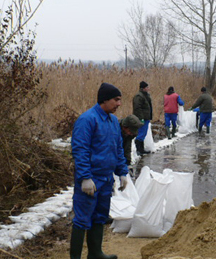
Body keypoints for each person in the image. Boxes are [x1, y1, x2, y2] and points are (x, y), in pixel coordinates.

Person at [70, 82, 129, 259]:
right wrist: (85, 177)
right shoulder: (87, 120)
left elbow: (117, 148)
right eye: (116, 100)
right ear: (105, 100)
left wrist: (122, 172)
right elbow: (80, 150)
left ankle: (95, 253)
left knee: (100, 216)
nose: (119, 104)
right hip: (91, 180)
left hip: (106, 179)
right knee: (82, 219)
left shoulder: (113, 121)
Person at [133, 81, 152, 155]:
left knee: (143, 133)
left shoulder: (145, 95)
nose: (148, 88)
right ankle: (139, 149)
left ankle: (142, 149)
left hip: (146, 117)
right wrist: (141, 118)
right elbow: (137, 108)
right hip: (142, 118)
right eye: (147, 87)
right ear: (143, 88)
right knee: (141, 133)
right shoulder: (139, 96)